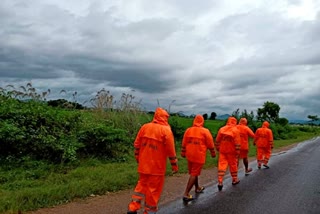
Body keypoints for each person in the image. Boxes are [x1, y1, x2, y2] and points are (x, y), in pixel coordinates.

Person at [127, 107, 178, 214]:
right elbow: (171, 150)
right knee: (153, 190)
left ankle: (133, 207)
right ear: (165, 118)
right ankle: (149, 211)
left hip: (143, 164)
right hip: (157, 167)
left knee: (140, 186)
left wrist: (138, 158)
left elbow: (137, 144)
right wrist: (174, 165)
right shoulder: (166, 130)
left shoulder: (145, 127)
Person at [181, 114, 216, 202]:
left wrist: (183, 152)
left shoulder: (188, 130)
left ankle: (197, 187)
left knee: (194, 172)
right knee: (194, 173)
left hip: (190, 154)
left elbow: (184, 142)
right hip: (199, 155)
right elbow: (210, 143)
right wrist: (213, 153)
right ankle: (186, 193)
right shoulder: (205, 131)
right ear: (202, 122)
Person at [215, 116, 241, 191]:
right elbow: (237, 143)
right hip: (231, 151)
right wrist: (237, 152)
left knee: (221, 165)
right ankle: (234, 179)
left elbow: (217, 140)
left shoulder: (222, 129)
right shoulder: (235, 130)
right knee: (233, 165)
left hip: (222, 150)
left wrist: (217, 148)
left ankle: (220, 181)